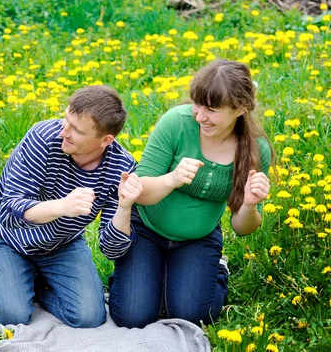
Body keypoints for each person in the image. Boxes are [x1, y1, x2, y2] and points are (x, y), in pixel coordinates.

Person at [108, 59, 274, 328]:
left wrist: (251, 205)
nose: (199, 116)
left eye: (211, 109)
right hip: (147, 229)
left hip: (198, 238)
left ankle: (217, 269)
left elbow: (243, 228)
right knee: (132, 316)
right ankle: (139, 274)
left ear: (240, 109)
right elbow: (139, 192)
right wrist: (172, 179)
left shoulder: (256, 150)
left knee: (193, 315)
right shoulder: (176, 123)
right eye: (197, 104)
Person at [0, 85, 143, 328]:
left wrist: (125, 208)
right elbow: (10, 210)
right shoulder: (42, 137)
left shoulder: (121, 166)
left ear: (105, 140)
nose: (65, 131)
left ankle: (34, 282)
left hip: (60, 243)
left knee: (90, 317)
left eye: (76, 130)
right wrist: (62, 206)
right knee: (13, 316)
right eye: (66, 119)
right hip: (6, 236)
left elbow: (111, 250)